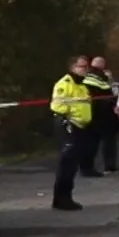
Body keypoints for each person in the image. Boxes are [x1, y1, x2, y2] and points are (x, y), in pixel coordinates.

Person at [49, 55, 95, 211]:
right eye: (82, 67)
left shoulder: (82, 85)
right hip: (68, 124)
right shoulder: (65, 84)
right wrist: (71, 117)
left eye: (87, 67)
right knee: (67, 162)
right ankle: (61, 199)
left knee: (73, 163)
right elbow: (58, 106)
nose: (85, 70)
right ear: (73, 68)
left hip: (80, 126)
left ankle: (66, 196)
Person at [80, 57, 119, 176]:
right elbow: (112, 93)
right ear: (102, 65)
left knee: (91, 143)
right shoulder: (103, 77)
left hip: (90, 113)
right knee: (109, 142)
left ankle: (87, 168)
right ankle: (109, 166)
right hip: (106, 114)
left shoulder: (85, 78)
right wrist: (110, 79)